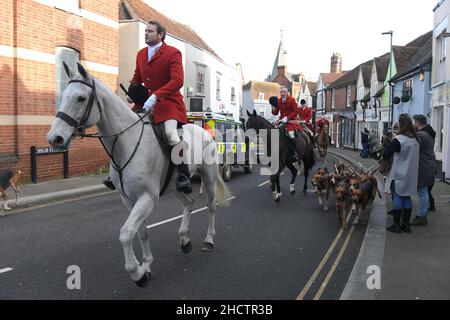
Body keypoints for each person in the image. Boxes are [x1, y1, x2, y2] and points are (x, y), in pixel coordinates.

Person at [104, 20, 192, 194]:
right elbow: (137, 77)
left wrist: (156, 96)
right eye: (145, 31)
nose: (146, 33)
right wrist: (132, 92)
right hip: (144, 102)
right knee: (122, 129)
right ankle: (114, 173)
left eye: (150, 31)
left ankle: (183, 175)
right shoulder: (141, 54)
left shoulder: (173, 53)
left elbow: (177, 81)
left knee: (171, 135)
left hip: (168, 103)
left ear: (160, 35)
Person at [383, 114, 420, 233]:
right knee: (407, 197)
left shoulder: (399, 140)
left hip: (398, 172)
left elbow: (386, 154)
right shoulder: (415, 140)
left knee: (398, 196)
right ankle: (406, 225)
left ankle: (396, 225)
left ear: (401, 124)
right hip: (411, 173)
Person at [412, 114, 436, 226]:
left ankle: (422, 216)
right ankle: (423, 213)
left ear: (418, 123)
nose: (414, 124)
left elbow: (412, 148)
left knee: (422, 191)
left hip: (423, 166)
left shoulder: (421, 135)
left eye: (414, 122)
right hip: (429, 165)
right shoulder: (429, 133)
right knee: (425, 191)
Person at [270, 87, 302, 160]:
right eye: (281, 92)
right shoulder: (279, 101)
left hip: (291, 122)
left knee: (291, 134)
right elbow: (276, 113)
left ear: (287, 92)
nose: (282, 93)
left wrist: (287, 118)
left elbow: (295, 112)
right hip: (281, 121)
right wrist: (272, 107)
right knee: (273, 132)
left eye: (284, 92)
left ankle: (294, 152)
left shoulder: (292, 100)